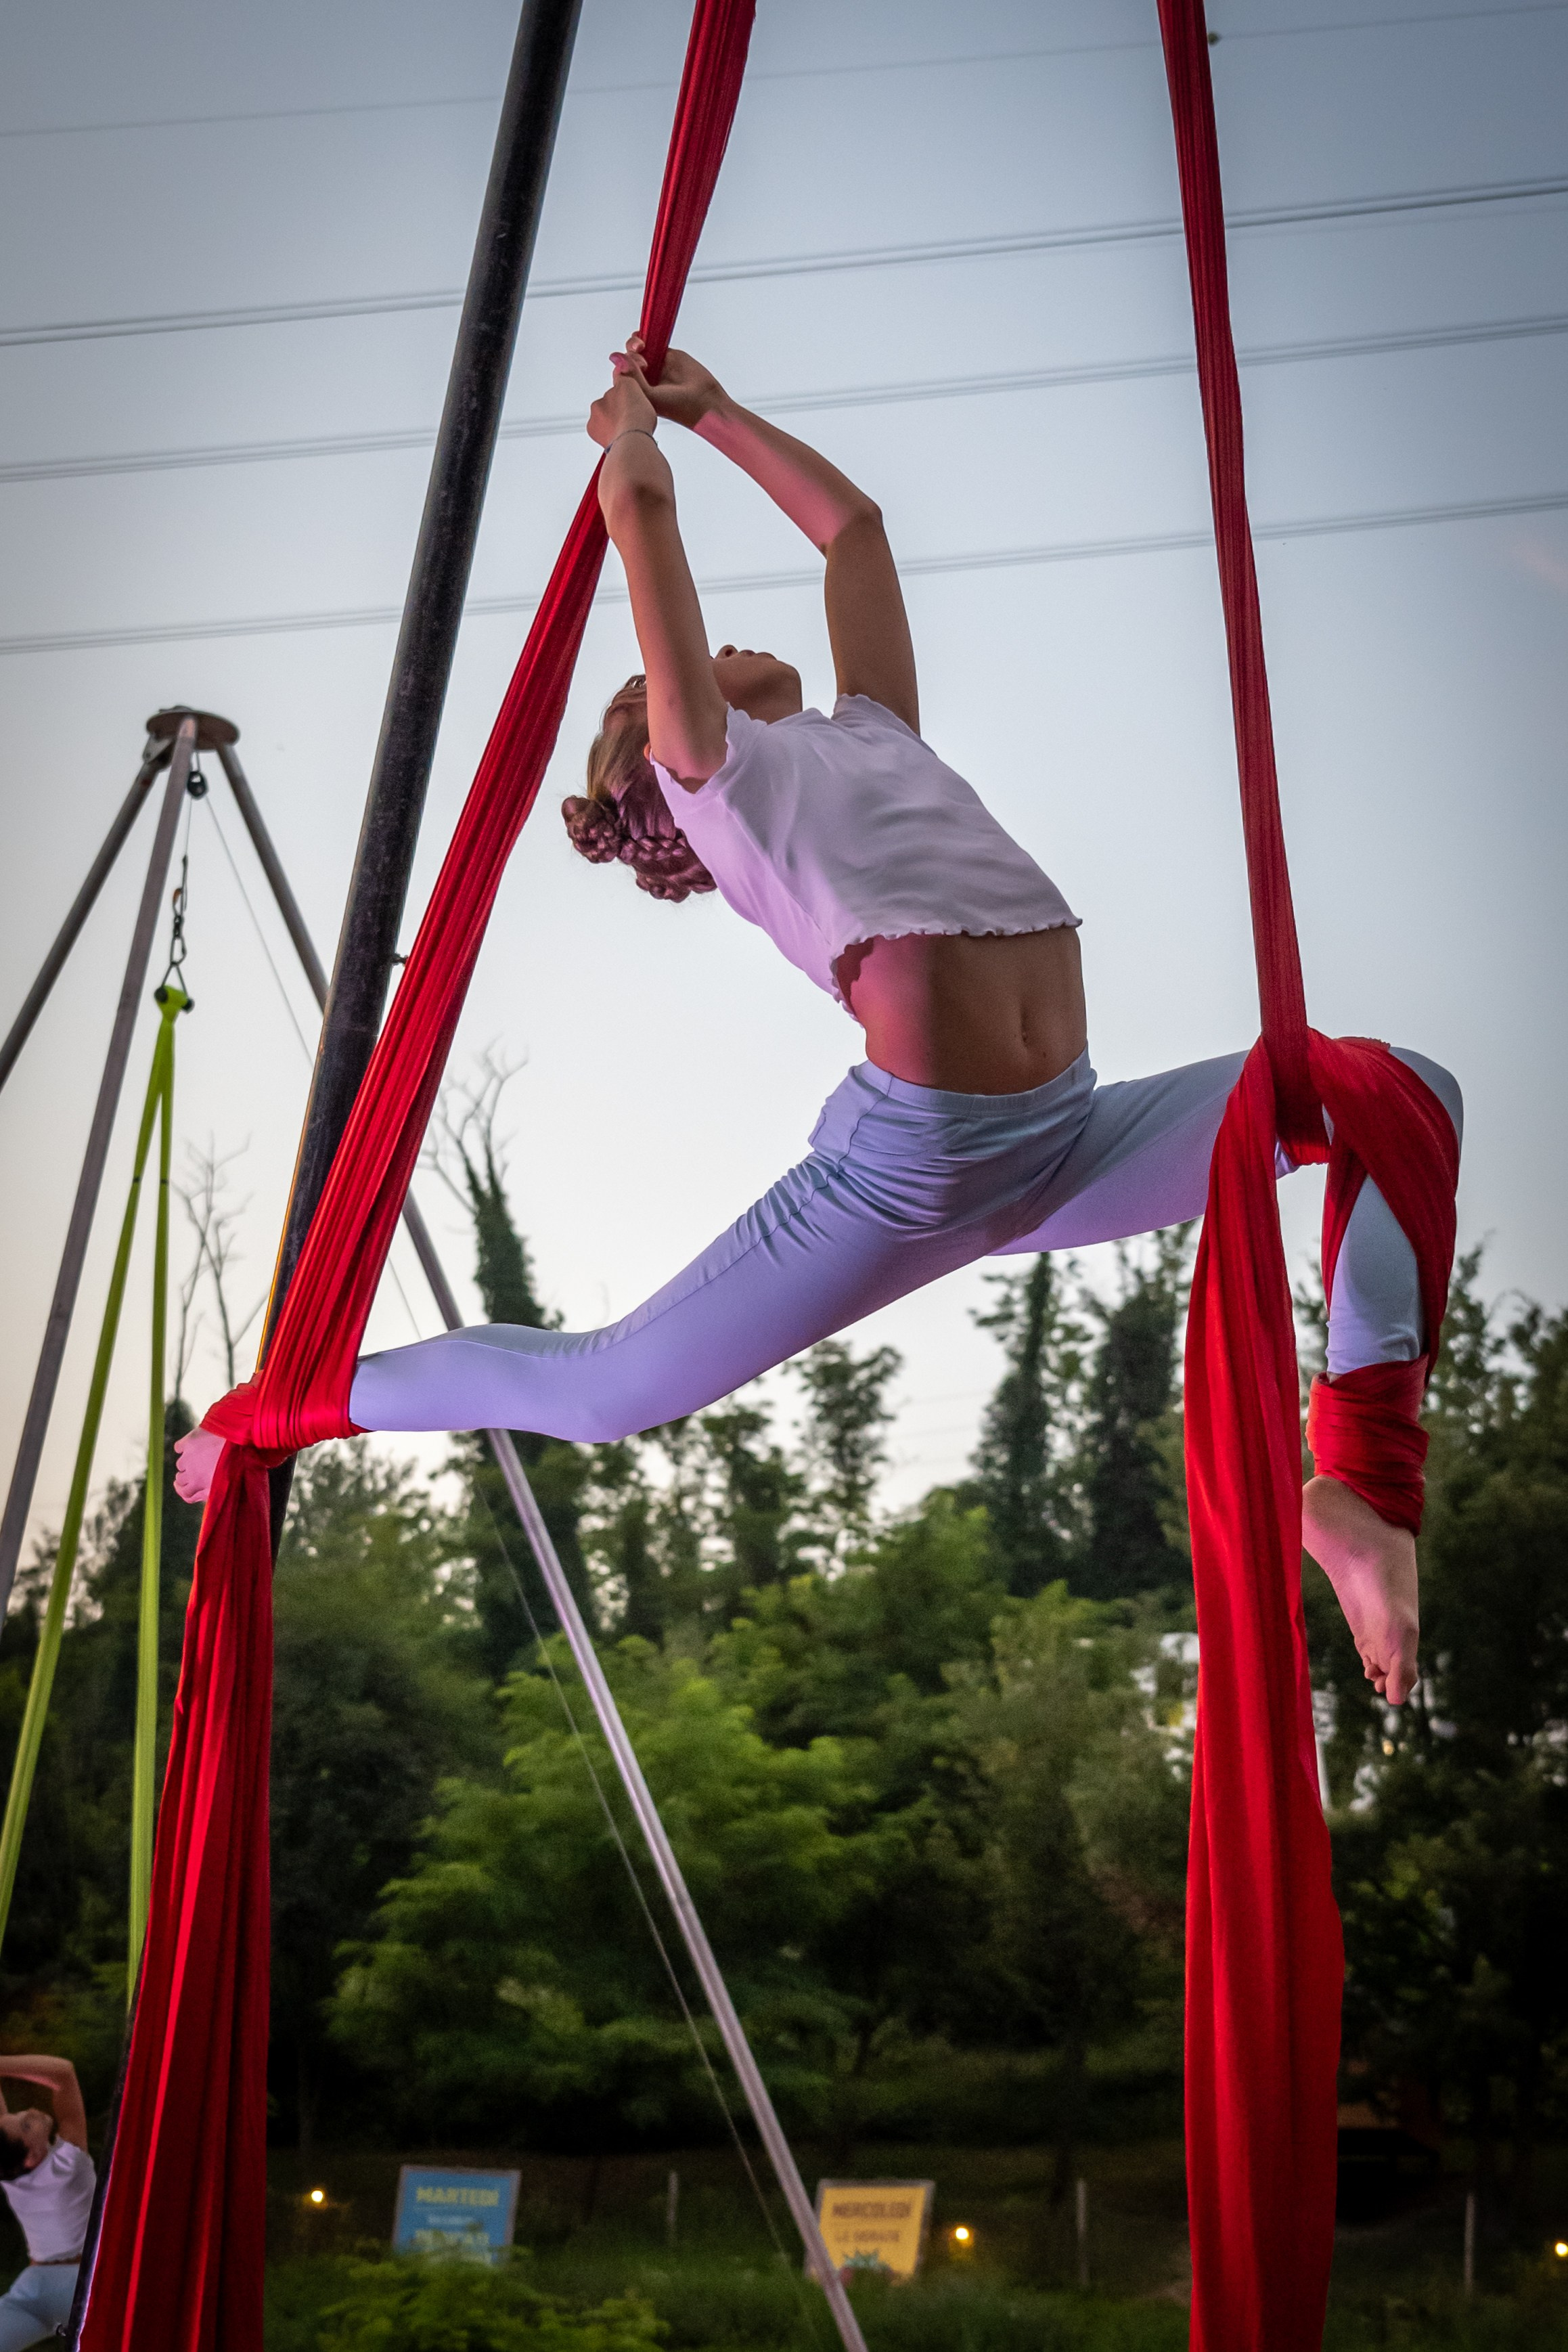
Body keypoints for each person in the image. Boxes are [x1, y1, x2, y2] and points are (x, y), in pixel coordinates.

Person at [175, 336, 1461, 1706]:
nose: (720, 646)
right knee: (610, 1389)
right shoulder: (715, 779)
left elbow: (855, 533)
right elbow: (644, 517)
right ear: (651, 734)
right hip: (917, 1164)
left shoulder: (873, 732)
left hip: (1062, 1134)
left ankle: (1357, 1495)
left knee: (1400, 1092)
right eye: (671, 671)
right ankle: (281, 1412)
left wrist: (716, 410)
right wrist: (627, 438)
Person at [0, 2052, 94, 2348]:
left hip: (40, 2289)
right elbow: (63, 2072)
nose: (27, 2112)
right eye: (26, 2126)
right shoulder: (68, 2164)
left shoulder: (9, 2173)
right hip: (78, 2285)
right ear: (31, 2156)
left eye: (17, 2117)